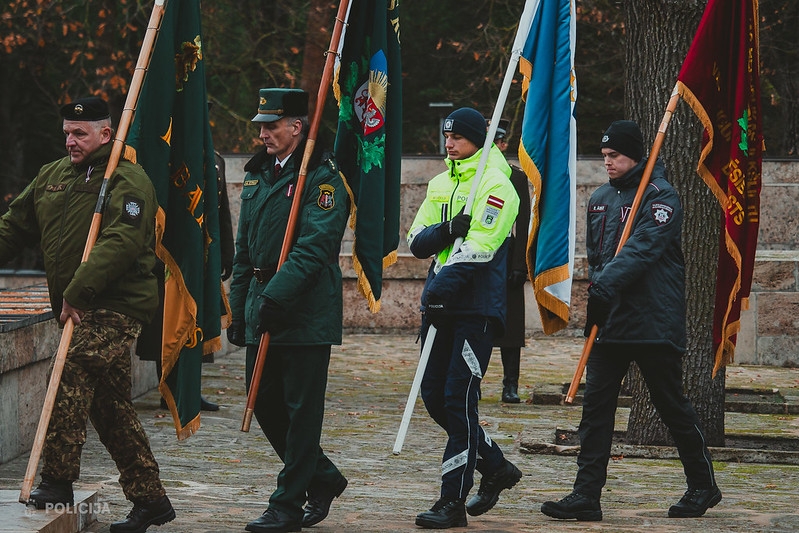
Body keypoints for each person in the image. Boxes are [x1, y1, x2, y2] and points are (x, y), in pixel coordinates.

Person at [0, 96, 174, 532]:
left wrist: (78, 290)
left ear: (106, 134)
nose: (70, 141)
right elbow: (14, 225)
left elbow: (122, 240)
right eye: (66, 133)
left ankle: (57, 481)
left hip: (115, 304)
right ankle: (151, 499)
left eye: (79, 133)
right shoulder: (52, 176)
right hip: (78, 305)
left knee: (71, 369)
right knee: (109, 406)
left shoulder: (128, 180)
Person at [540, 120, 721, 521]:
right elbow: (598, 260)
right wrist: (596, 303)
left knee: (670, 404)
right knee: (597, 409)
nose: (607, 162)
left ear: (637, 154)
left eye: (615, 155)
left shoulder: (661, 197)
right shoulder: (601, 197)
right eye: (604, 155)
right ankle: (586, 494)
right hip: (612, 322)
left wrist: (605, 286)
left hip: (652, 321)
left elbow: (642, 251)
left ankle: (703, 485)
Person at [227, 88, 349, 533]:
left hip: (304, 310)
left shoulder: (323, 177)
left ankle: (288, 503)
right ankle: (324, 477)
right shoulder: (259, 175)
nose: (263, 134)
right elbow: (245, 250)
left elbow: (314, 249)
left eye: (272, 126)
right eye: (260, 126)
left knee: (301, 413)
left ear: (296, 127)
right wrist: (241, 310)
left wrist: (277, 298)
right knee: (262, 403)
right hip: (264, 303)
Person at [408, 107, 522, 529]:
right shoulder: (441, 182)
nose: (449, 143)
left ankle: (450, 502)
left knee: (458, 397)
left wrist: (440, 288)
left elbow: (482, 246)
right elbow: (417, 240)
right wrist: (446, 230)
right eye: (446, 136)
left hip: (475, 309)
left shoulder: (497, 183)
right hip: (439, 307)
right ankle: (494, 464)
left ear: (477, 138)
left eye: (457, 137)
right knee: (434, 395)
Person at [491, 119, 531, 404]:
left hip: (507, 253)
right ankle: (472, 379)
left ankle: (510, 383)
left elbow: (524, 221)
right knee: (475, 323)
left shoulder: (515, 177)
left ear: (504, 145)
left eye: (497, 141)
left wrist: (521, 264)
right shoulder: (472, 175)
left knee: (512, 326)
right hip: (477, 255)